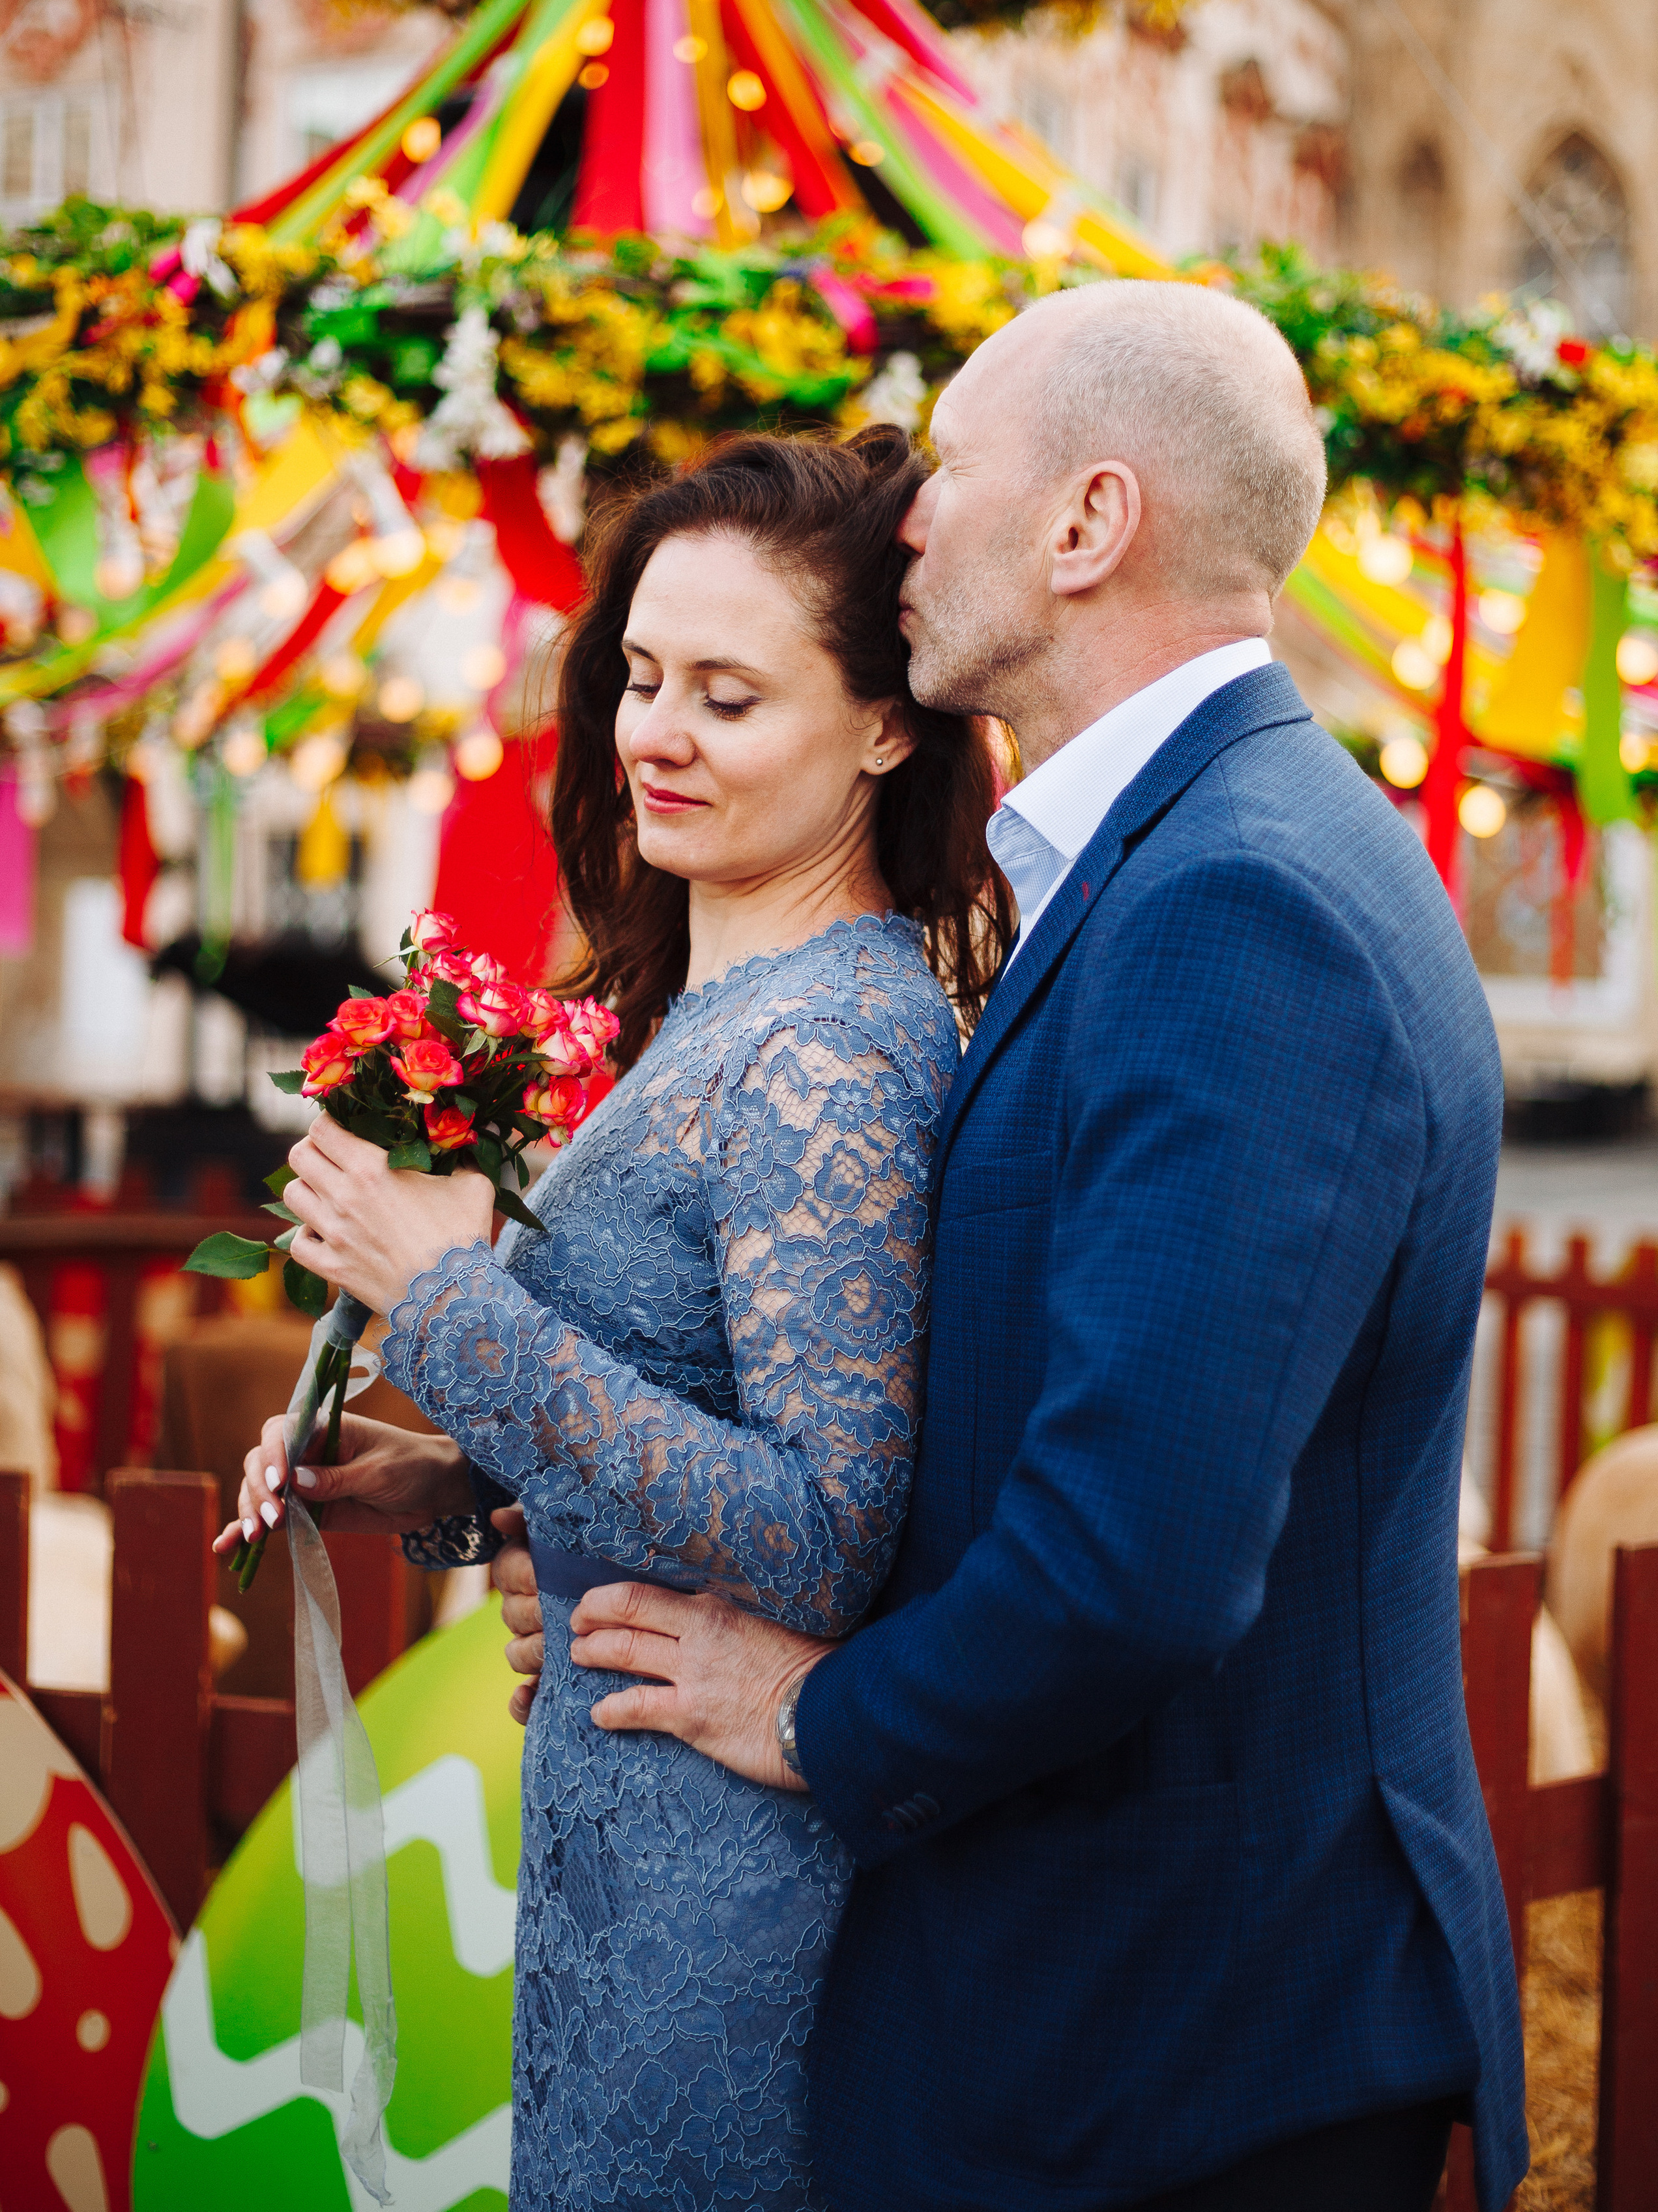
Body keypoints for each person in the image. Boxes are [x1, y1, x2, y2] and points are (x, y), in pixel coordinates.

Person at [512, 282, 1529, 2212]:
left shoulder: (1240, 898)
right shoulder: (1186, 851)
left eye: (952, 465)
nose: (906, 515)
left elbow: (1133, 1557)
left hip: (1194, 2037)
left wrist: (809, 1711)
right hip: (1139, 2009)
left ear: (1087, 523)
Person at [218, 426, 1010, 2212]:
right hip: (625, 1821)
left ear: (886, 729)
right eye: (643, 677)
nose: (656, 732)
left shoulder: (831, 1048)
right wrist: (438, 1482)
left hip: (735, 1860)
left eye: (729, 698)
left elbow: (821, 1529)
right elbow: (671, 1418)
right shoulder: (725, 1009)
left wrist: (443, 1299)